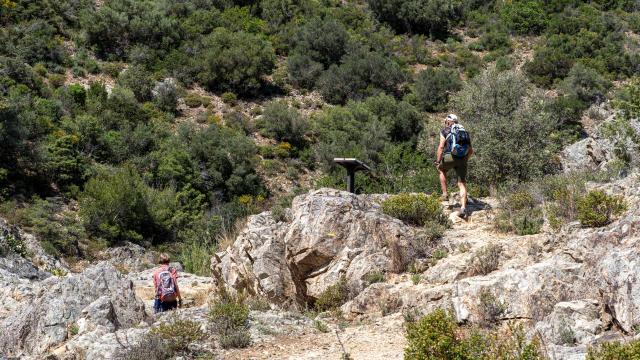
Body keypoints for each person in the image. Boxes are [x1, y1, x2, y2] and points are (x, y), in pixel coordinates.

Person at [435, 114, 474, 218]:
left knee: (441, 169)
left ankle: (445, 195)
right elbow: (471, 151)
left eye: (445, 121)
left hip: (450, 157)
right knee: (462, 183)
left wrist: (438, 161)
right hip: (463, 158)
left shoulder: (445, 131)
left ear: (448, 122)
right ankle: (463, 207)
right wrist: (464, 159)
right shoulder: (464, 132)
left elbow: (441, 147)